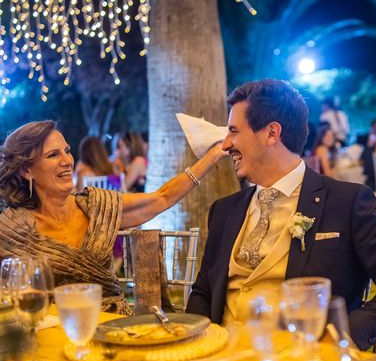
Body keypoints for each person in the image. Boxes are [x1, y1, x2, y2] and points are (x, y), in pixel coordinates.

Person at [186, 79, 376, 350]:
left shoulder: (346, 203)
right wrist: (197, 347)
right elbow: (203, 293)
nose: (226, 144)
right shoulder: (224, 210)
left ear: (271, 133)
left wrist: (340, 340)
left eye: (233, 131)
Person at [0, 120, 226, 314]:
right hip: (53, 327)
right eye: (53, 155)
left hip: (112, 324)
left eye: (67, 151)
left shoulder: (97, 207)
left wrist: (213, 155)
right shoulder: (12, 230)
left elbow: (162, 198)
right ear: (26, 170)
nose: (67, 161)